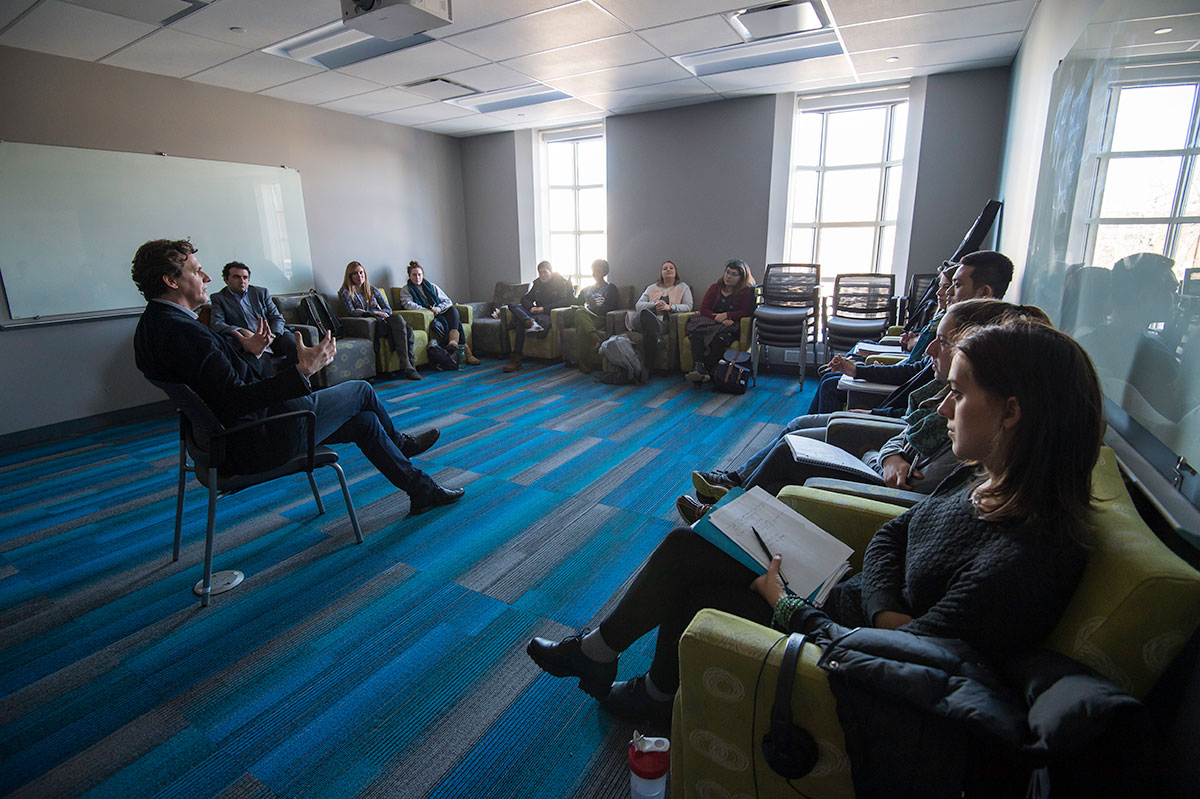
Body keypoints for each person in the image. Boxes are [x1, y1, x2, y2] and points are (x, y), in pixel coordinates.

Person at [527, 318, 1103, 732]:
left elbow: (901, 653)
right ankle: (637, 677)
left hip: (832, 641)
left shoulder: (1030, 554)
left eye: (957, 392)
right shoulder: (985, 480)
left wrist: (785, 602)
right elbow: (892, 536)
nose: (944, 409)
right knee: (693, 547)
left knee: (692, 564)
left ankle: (616, 665)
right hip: (840, 596)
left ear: (1011, 411)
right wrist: (883, 604)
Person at [132, 239, 464, 515]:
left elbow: (221, 386)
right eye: (194, 270)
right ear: (171, 281)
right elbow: (235, 400)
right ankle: (402, 444)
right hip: (259, 440)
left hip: (226, 440)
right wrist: (302, 371)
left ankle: (421, 490)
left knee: (365, 422)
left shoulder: (153, 327)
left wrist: (251, 352)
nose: (205, 276)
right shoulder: (188, 334)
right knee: (362, 391)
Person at [680, 300, 1051, 521]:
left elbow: (913, 473)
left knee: (792, 445)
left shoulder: (973, 434)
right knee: (796, 432)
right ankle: (732, 493)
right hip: (885, 446)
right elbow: (910, 428)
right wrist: (891, 449)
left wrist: (883, 444)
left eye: (942, 340)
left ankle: (727, 505)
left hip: (879, 471)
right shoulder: (966, 413)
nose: (932, 350)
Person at [807, 267, 953, 414]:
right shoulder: (940, 319)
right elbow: (916, 364)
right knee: (861, 347)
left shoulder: (951, 332)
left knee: (830, 383)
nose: (938, 292)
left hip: (894, 396)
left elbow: (913, 372)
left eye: (948, 287)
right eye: (941, 286)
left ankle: (815, 427)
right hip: (902, 371)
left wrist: (863, 371)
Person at [338, 261, 421, 381]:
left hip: (385, 322)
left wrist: (372, 311)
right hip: (372, 326)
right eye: (355, 273)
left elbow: (388, 309)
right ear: (349, 276)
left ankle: (408, 365)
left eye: (361, 272)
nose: (359, 276)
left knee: (402, 323)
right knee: (403, 326)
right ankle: (408, 365)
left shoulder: (372, 289)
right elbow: (352, 312)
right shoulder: (345, 292)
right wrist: (374, 312)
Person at [208, 261, 299, 367]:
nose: (242, 281)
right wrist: (242, 331)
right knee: (261, 360)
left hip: (271, 335)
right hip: (247, 340)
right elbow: (217, 324)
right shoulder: (219, 298)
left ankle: (294, 380)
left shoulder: (261, 292)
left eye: (245, 277)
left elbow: (277, 318)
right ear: (226, 279)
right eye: (236, 277)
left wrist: (272, 336)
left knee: (294, 344)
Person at [396, 260, 480, 366]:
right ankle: (466, 352)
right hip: (426, 315)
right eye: (414, 275)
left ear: (423, 275)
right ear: (409, 276)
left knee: (453, 311)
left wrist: (438, 309)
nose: (417, 277)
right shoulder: (406, 290)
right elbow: (408, 304)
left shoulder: (431, 286)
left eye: (419, 275)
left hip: (438, 312)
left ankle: (453, 342)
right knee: (456, 322)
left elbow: (447, 301)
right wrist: (427, 310)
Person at [684, 259, 755, 383]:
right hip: (711, 321)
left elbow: (747, 311)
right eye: (727, 272)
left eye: (734, 274)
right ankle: (698, 367)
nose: (729, 276)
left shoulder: (746, 291)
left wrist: (728, 315)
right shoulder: (715, 287)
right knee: (695, 334)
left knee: (721, 339)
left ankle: (703, 370)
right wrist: (715, 317)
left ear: (741, 278)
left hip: (729, 325)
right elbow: (704, 308)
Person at [504, 260, 575, 373]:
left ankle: (516, 358)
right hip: (535, 313)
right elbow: (525, 298)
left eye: (545, 272)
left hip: (547, 314)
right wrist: (531, 307)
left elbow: (566, 302)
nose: (542, 275)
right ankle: (527, 320)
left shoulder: (560, 282)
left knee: (519, 323)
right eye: (540, 272)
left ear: (551, 271)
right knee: (511, 305)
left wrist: (543, 309)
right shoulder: (538, 283)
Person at [627, 260, 693, 372]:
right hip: (644, 319)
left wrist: (670, 307)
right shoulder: (651, 287)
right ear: (661, 273)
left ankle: (648, 368)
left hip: (664, 323)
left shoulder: (683, 287)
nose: (668, 270)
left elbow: (688, 306)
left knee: (650, 331)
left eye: (671, 268)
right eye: (665, 268)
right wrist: (654, 305)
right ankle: (657, 337)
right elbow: (638, 305)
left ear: (676, 272)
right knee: (645, 313)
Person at [571, 258, 620, 373]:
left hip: (600, 318)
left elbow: (612, 306)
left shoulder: (610, 288)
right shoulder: (586, 289)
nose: (595, 273)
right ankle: (595, 337)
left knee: (582, 327)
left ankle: (584, 363)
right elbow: (576, 303)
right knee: (579, 311)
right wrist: (570, 290)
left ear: (604, 272)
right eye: (594, 270)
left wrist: (594, 309)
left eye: (598, 270)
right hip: (586, 316)